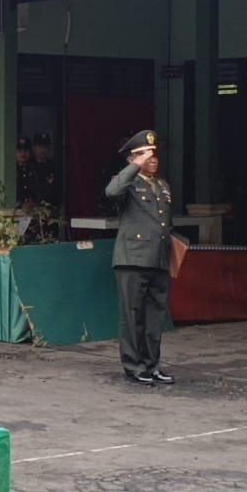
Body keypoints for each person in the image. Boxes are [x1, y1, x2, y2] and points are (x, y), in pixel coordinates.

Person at [104, 129, 174, 386]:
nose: (151, 159)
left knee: (155, 316)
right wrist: (135, 166)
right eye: (145, 154)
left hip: (158, 258)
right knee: (133, 314)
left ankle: (152, 364)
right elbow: (112, 192)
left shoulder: (162, 185)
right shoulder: (127, 182)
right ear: (132, 159)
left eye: (153, 154)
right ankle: (134, 365)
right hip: (133, 258)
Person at [31, 132, 61, 208]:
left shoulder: (54, 167)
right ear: (34, 148)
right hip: (33, 208)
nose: (43, 149)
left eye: (46, 146)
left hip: (50, 207)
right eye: (39, 146)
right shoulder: (29, 166)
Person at [15, 135, 35, 208]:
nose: (23, 154)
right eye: (20, 150)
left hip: (33, 208)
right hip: (15, 209)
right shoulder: (11, 171)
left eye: (26, 150)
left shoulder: (35, 169)